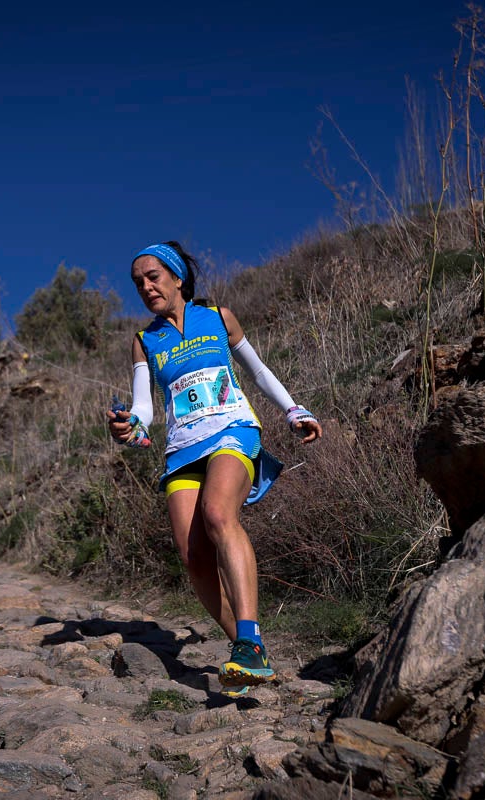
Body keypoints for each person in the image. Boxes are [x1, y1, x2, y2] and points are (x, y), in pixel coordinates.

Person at [108, 241, 322, 695]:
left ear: (177, 276)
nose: (146, 287)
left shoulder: (218, 318)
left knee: (219, 515)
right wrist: (130, 425)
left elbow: (258, 371)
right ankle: (250, 653)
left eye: (153, 277)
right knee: (194, 559)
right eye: (137, 283)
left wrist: (292, 410)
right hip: (183, 448)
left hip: (233, 430)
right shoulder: (146, 341)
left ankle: (248, 638)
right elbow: (145, 407)